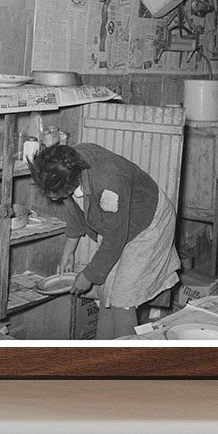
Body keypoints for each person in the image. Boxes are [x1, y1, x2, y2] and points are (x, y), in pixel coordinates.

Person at [28, 141, 179, 339]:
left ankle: (124, 364)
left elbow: (115, 238)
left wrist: (88, 275)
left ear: (72, 181)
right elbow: (73, 207)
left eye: (56, 194)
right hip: (121, 222)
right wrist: (69, 250)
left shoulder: (109, 182)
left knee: (122, 299)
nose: (52, 198)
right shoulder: (67, 163)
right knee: (107, 292)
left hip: (150, 223)